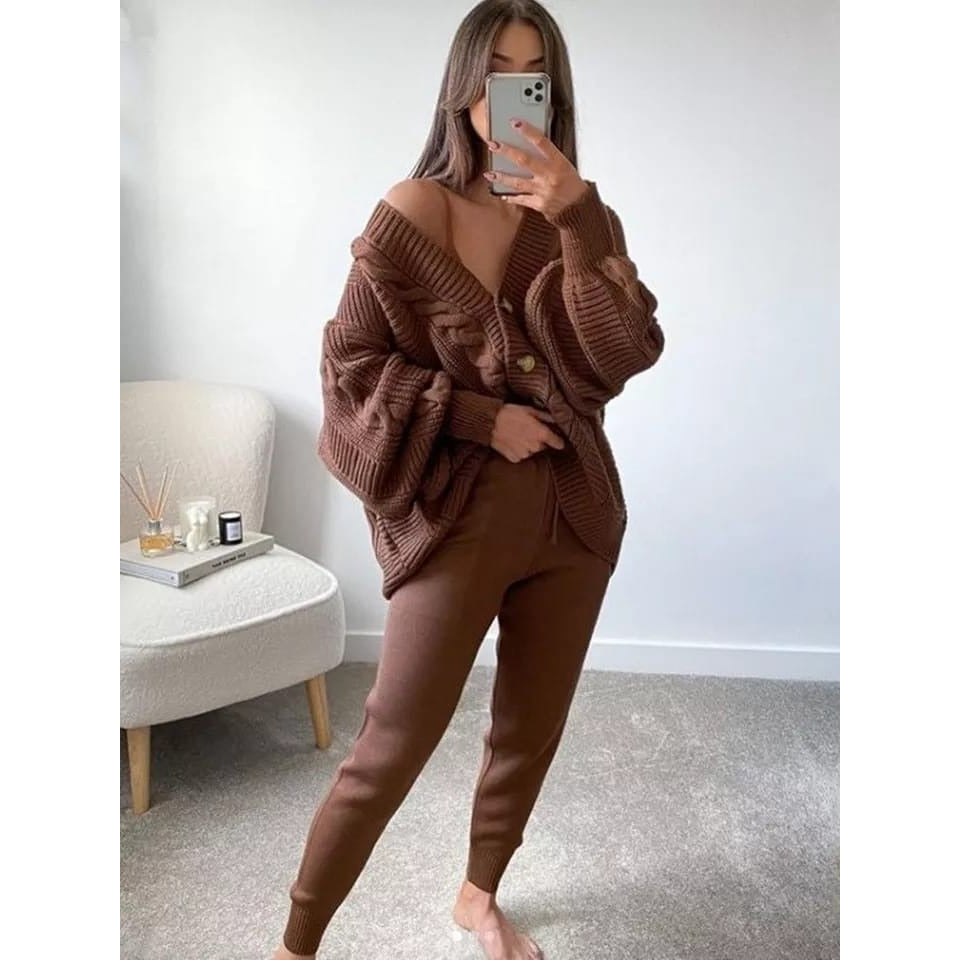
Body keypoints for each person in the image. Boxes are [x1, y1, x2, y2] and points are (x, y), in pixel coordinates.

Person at [273, 2, 665, 958]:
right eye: (498, 72)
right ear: (462, 88)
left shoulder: (581, 217)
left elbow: (624, 352)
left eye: (536, 75)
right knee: (391, 743)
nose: (515, 94)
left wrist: (575, 220)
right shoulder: (415, 212)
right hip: (461, 513)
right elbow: (348, 368)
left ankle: (478, 896)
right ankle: (295, 944)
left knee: (529, 730)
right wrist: (482, 417)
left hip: (576, 513)